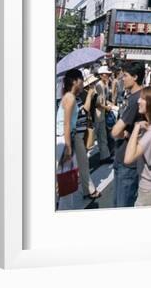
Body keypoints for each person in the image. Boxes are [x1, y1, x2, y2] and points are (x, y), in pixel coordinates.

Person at [56, 69, 101, 202]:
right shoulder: (70, 98)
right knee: (62, 172)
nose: (83, 82)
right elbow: (66, 124)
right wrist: (68, 148)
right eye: (82, 79)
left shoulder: (70, 97)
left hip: (67, 136)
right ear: (75, 81)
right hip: (64, 138)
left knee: (64, 171)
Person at [124, 87, 151, 206]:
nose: (138, 101)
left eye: (142, 99)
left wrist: (136, 127)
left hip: (149, 188)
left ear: (150, 104)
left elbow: (128, 158)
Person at [111, 62, 145, 207]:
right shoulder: (134, 96)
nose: (122, 79)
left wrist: (123, 133)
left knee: (122, 205)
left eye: (125, 76)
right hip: (123, 156)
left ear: (135, 77)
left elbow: (115, 131)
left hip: (128, 161)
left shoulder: (136, 100)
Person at [94, 65, 114, 165]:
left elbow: (104, 100)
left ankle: (105, 157)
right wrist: (107, 107)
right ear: (101, 75)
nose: (108, 76)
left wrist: (109, 104)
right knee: (95, 137)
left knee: (103, 136)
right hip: (97, 115)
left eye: (108, 74)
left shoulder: (104, 84)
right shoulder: (99, 85)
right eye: (106, 74)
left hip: (102, 114)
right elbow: (97, 103)